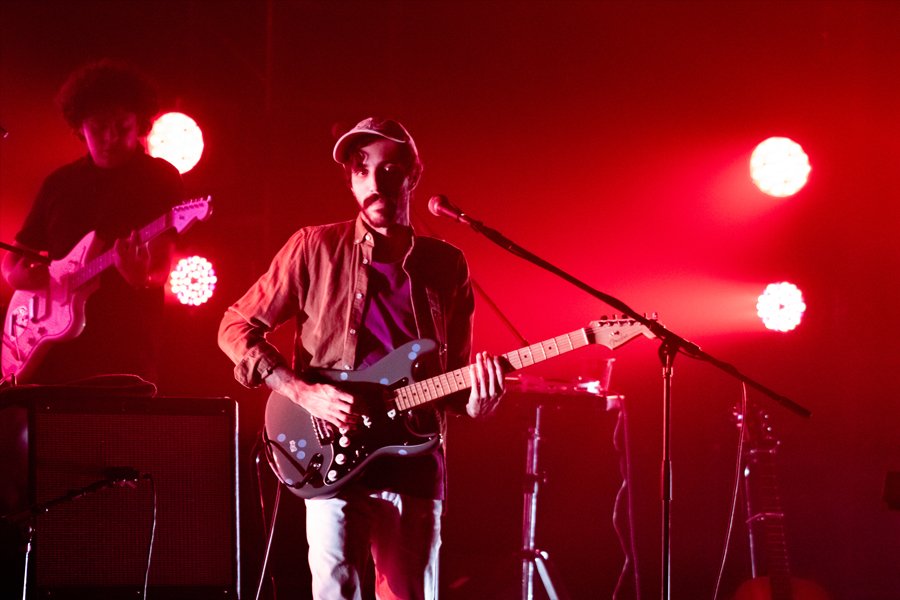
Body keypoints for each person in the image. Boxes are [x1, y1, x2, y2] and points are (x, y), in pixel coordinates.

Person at [218, 117, 505, 599]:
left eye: (389, 170)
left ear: (413, 175)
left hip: (416, 464)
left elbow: (455, 381)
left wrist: (478, 402)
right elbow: (235, 327)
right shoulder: (314, 247)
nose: (375, 182)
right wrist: (302, 391)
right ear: (350, 180)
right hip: (331, 451)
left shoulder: (446, 263)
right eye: (361, 169)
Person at [1, 58, 184, 385]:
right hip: (51, 348)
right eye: (98, 128)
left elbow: (161, 263)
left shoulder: (159, 178)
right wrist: (19, 277)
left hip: (125, 345)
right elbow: (13, 258)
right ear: (80, 128)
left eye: (122, 126)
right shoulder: (59, 183)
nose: (110, 137)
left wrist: (142, 278)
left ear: (140, 124)